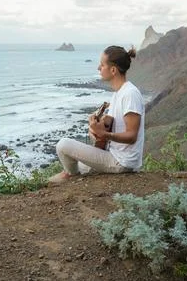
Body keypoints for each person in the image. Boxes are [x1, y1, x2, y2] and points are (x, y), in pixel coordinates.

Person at [49, 45, 145, 183]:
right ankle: (69, 174)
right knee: (78, 164)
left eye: (102, 65)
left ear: (113, 70)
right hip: (113, 154)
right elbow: (105, 137)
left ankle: (70, 177)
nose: (98, 68)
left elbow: (131, 136)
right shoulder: (118, 94)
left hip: (123, 161)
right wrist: (96, 128)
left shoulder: (130, 94)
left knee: (63, 145)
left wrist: (104, 134)